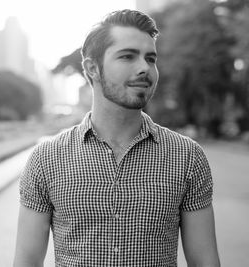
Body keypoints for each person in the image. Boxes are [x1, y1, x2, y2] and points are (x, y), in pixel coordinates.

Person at [14, 9, 220, 267]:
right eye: (127, 56)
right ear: (92, 69)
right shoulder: (46, 159)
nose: (144, 68)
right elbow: (27, 262)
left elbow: (205, 261)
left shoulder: (187, 157)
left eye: (151, 58)